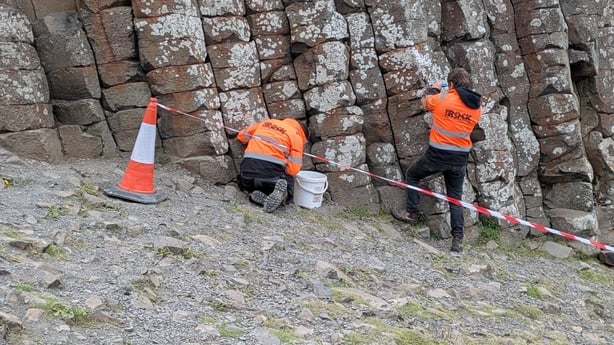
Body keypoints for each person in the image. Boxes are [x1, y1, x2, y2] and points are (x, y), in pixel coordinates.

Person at [393, 67, 483, 252]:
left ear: (451, 84)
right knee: (455, 199)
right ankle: (457, 239)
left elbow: (426, 103)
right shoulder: (477, 107)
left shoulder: (443, 98)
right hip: (459, 158)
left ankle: (412, 213)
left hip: (437, 155)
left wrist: (434, 89)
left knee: (412, 175)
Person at [237, 118, 308, 213]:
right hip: (271, 177)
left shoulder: (266, 123)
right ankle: (282, 196)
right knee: (287, 183)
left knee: (254, 183)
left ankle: (254, 194)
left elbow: (241, 136)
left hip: (246, 175)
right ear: (303, 134)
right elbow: (293, 170)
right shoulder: (296, 135)